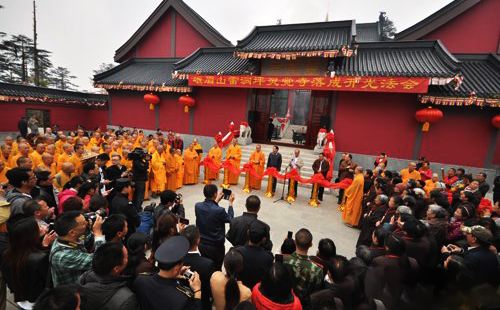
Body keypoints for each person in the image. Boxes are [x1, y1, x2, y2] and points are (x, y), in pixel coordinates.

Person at [133, 236, 202, 310]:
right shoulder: (182, 300)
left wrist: (174, 274)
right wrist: (197, 290)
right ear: (176, 268)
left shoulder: (141, 280)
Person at [1, 216, 56, 309]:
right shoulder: (39, 258)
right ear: (31, 234)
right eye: (38, 227)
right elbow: (48, 280)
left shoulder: (7, 253)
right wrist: (46, 248)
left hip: (21, 299)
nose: (42, 228)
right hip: (37, 302)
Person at [50, 210, 105, 287]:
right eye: (83, 223)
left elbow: (84, 240)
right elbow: (100, 261)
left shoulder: (66, 238)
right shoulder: (63, 256)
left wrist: (92, 230)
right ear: (72, 232)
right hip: (74, 294)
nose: (87, 223)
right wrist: (98, 234)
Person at [78, 242, 139, 310]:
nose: (128, 258)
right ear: (116, 269)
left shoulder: (83, 279)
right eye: (126, 256)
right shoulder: (126, 299)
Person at [195, 184, 234, 270]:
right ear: (215, 194)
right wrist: (230, 203)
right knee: (216, 268)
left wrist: (216, 201)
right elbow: (230, 219)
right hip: (215, 246)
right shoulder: (219, 210)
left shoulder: (197, 206)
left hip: (202, 243)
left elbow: (210, 211)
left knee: (205, 265)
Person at [283, 228, 323, 308]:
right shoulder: (317, 270)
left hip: (284, 302)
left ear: (294, 242)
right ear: (311, 245)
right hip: (304, 305)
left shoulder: (283, 260)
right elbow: (316, 292)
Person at [181, 225, 215, 310]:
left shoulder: (178, 260)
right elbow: (210, 288)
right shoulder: (208, 264)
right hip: (202, 302)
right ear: (198, 240)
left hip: (182, 300)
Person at [236, 220, 274, 290]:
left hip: (239, 289)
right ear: (264, 240)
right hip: (257, 292)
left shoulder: (237, 251)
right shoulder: (268, 257)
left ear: (248, 233)